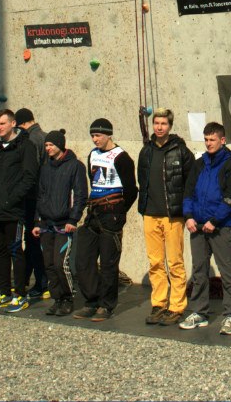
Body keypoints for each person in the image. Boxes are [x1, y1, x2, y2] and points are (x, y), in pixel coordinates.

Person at [178, 121, 231, 334]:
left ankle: (230, 315)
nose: (208, 144)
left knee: (228, 273)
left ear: (222, 140)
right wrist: (188, 217)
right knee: (199, 271)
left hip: (221, 228)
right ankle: (199, 311)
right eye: (206, 140)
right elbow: (188, 192)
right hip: (197, 227)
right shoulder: (199, 164)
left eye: (212, 140)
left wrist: (214, 221)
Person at [73, 118, 137, 322]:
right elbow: (93, 181)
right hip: (94, 212)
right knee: (84, 259)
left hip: (112, 213)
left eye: (98, 135)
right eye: (92, 135)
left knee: (109, 263)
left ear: (108, 134)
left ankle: (106, 305)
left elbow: (131, 190)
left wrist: (120, 211)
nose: (95, 139)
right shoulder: (92, 155)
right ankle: (91, 300)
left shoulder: (122, 157)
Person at [137, 108, 195, 326]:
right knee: (155, 262)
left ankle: (177, 306)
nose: (159, 127)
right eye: (156, 123)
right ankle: (158, 303)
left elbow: (190, 182)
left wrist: (186, 210)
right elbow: (142, 179)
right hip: (150, 215)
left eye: (163, 124)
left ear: (170, 126)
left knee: (175, 262)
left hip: (173, 216)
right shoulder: (147, 151)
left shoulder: (181, 151)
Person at [0, 108, 39, 311]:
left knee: (16, 251)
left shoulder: (26, 146)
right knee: (1, 251)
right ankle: (4, 292)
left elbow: (29, 178)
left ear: (13, 124)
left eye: (2, 124)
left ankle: (20, 294)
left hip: (13, 210)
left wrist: (11, 199)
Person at [32, 130, 86, 317]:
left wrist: (73, 219)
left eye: (51, 145)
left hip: (64, 225)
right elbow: (40, 196)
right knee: (48, 264)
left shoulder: (75, 166)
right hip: (46, 224)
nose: (48, 148)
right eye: (46, 145)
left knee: (60, 263)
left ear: (60, 145)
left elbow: (80, 195)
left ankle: (68, 298)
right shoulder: (45, 168)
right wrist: (37, 221)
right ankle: (57, 299)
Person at [14, 107, 49, 301]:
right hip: (42, 197)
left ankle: (41, 283)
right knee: (34, 241)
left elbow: (30, 172)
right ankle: (28, 280)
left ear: (21, 124)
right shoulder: (43, 137)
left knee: (32, 241)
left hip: (32, 198)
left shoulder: (31, 140)